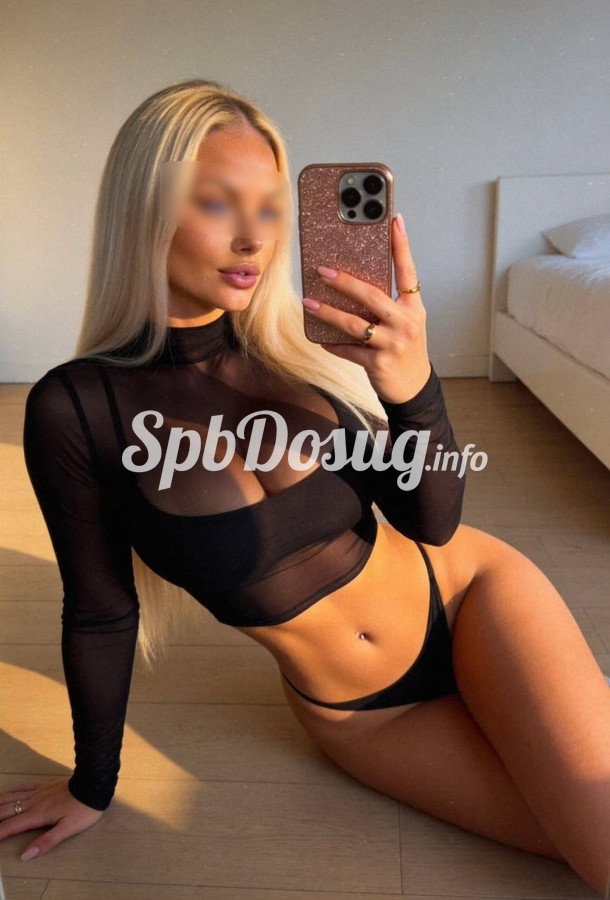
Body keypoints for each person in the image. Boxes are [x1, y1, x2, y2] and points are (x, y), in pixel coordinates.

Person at [3, 79, 609, 896]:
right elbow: (101, 610)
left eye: (268, 207)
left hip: (470, 596)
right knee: (591, 843)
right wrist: (92, 784)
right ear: (144, 208)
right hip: (368, 716)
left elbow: (432, 521)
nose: (252, 237)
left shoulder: (302, 348)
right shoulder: (77, 408)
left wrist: (415, 388)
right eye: (217, 202)